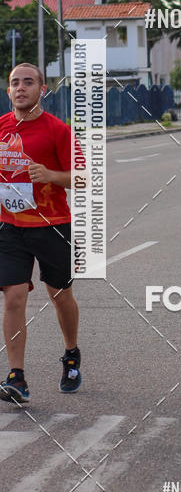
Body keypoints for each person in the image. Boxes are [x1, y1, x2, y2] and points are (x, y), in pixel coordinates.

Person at [0, 63, 82, 404]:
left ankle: (71, 353)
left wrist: (49, 173)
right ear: (8, 92)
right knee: (14, 295)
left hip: (52, 225)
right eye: (15, 83)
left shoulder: (58, 130)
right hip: (9, 227)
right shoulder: (1, 128)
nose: (21, 88)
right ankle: (16, 376)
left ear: (42, 89)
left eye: (28, 82)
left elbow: (82, 178)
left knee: (59, 295)